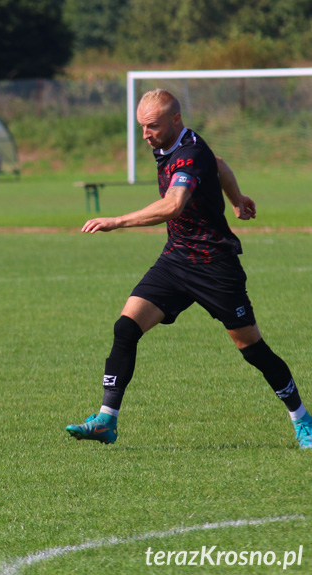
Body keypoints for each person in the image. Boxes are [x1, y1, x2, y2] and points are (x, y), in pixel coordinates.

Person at [65, 89, 312, 449]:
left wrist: (117, 220)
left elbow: (173, 205)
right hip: (177, 259)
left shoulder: (189, 152)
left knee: (252, 349)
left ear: (176, 120)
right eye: (142, 127)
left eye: (152, 126)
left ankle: (302, 419)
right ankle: (106, 420)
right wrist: (238, 199)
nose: (145, 134)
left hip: (215, 266)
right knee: (126, 327)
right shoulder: (174, 143)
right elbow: (221, 162)